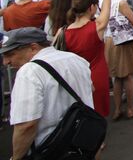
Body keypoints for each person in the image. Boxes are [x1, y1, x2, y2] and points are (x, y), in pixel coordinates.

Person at [3, 27, 93, 160]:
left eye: (10, 54)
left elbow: (26, 125)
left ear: (33, 47)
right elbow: (91, 89)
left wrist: (16, 157)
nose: (6, 62)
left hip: (51, 150)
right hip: (84, 141)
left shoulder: (29, 72)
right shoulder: (76, 59)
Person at [57, 0, 114, 118]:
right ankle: (97, 140)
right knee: (98, 111)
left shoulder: (62, 31)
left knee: (80, 109)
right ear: (91, 7)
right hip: (96, 72)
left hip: (74, 75)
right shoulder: (97, 26)